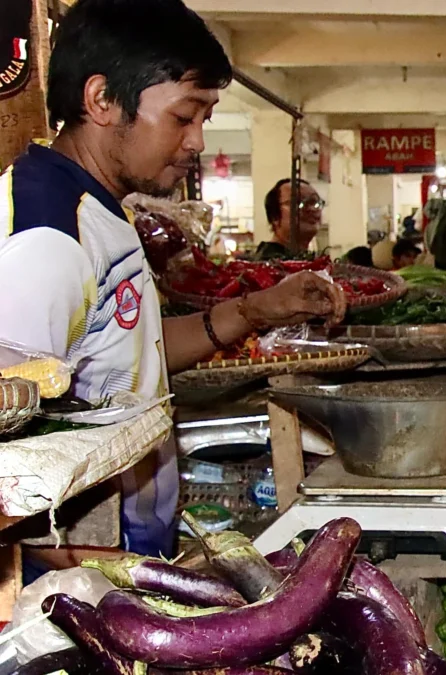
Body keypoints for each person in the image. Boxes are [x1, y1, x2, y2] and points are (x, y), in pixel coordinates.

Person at [0, 0, 346, 560]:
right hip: (72, 582)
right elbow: (7, 478)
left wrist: (255, 311)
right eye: (184, 117)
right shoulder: (49, 239)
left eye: (205, 119)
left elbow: (123, 355)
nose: (197, 143)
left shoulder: (97, 210)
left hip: (123, 550)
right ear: (101, 100)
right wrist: (131, 579)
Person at [253, 177, 324, 260]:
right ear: (274, 217)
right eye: (298, 202)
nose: (311, 209)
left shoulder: (306, 259)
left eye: (314, 202)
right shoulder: (269, 264)